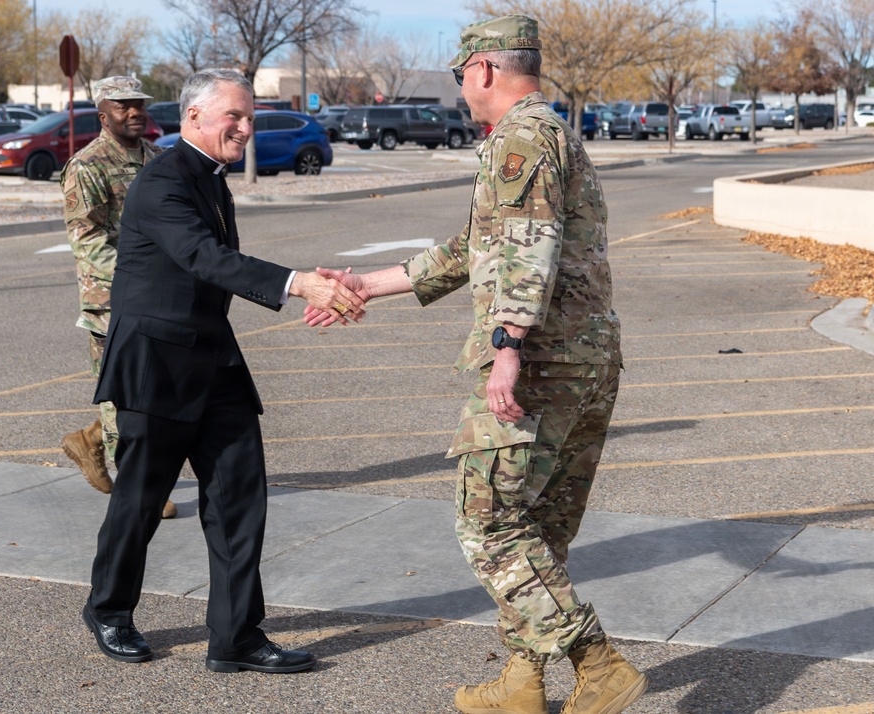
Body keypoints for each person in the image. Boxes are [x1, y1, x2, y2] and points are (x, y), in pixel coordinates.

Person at [304, 15, 647, 714]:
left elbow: (526, 254)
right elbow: (475, 248)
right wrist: (369, 284)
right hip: (583, 363)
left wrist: (507, 351)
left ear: (485, 68)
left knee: (487, 524)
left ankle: (598, 662)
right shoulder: (545, 132)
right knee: (539, 532)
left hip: (541, 366)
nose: (462, 90)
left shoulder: (521, 138)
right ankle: (523, 682)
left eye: (462, 75)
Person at [82, 68, 365, 673]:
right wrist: (298, 283)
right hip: (157, 366)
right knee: (139, 500)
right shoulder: (160, 182)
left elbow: (219, 266)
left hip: (214, 359)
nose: (244, 127)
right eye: (233, 116)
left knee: (239, 499)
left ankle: (235, 636)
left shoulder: (211, 178)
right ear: (193, 119)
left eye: (249, 117)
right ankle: (109, 609)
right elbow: (203, 257)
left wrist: (307, 287)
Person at [59, 75, 177, 519]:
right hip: (113, 302)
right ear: (102, 114)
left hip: (163, 298)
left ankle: (89, 441)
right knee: (125, 394)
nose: (135, 112)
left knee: (159, 392)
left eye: (139, 104)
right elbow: (86, 241)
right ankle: (140, 489)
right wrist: (139, 279)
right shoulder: (87, 166)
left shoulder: (159, 159)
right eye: (123, 105)